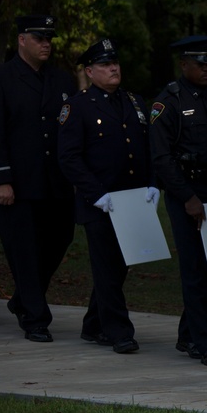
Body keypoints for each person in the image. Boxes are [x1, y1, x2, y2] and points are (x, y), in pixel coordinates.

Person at [0, 15, 76, 342]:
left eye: (49, 38)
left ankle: (21, 299)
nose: (46, 43)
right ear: (21, 40)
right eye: (39, 38)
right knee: (24, 251)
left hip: (55, 182)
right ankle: (35, 317)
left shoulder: (62, 80)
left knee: (59, 239)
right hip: (16, 183)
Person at [150, 35, 207, 366]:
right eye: (200, 63)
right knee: (194, 269)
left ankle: (188, 332)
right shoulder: (169, 102)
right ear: (184, 64)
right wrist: (187, 197)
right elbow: (162, 158)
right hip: (187, 195)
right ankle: (206, 342)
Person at [57, 39, 154, 354]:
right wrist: (95, 193)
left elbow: (149, 147)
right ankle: (118, 331)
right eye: (105, 65)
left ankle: (93, 324)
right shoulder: (78, 106)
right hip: (100, 202)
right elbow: (69, 157)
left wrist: (153, 183)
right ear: (89, 71)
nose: (113, 69)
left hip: (133, 201)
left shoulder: (134, 101)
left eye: (115, 63)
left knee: (121, 265)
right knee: (106, 267)